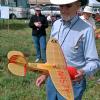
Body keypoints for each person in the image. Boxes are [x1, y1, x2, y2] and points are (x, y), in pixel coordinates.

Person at [36, 0, 100, 100]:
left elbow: (94, 62)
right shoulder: (56, 24)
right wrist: (45, 74)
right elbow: (52, 55)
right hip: (52, 81)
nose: (64, 10)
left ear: (78, 6)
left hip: (72, 83)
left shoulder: (86, 29)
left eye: (68, 6)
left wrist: (83, 71)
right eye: (61, 6)